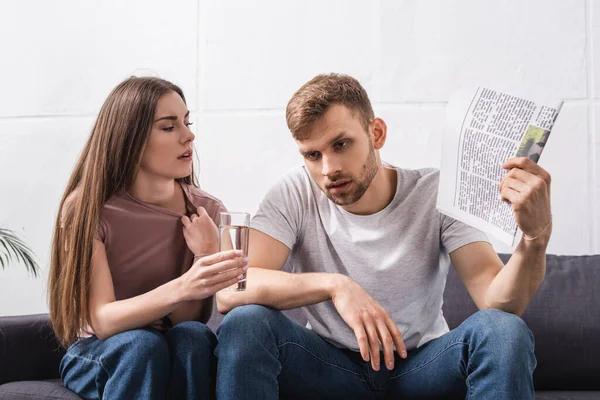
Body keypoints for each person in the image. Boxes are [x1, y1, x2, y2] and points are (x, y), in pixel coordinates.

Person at [214, 74, 552, 399]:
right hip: (329, 366)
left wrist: (535, 238)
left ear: (376, 133)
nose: (329, 168)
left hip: (421, 366)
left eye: (341, 144)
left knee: (503, 332)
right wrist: (336, 285)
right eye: (313, 155)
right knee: (246, 323)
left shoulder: (434, 192)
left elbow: (497, 302)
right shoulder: (294, 192)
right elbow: (232, 290)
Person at [48, 77, 247, 400]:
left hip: (165, 347)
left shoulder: (206, 211)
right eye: (169, 127)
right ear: (131, 139)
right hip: (100, 351)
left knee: (194, 337)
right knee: (143, 345)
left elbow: (188, 319)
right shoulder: (86, 209)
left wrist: (205, 256)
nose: (189, 135)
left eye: (187, 122)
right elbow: (103, 321)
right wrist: (186, 284)